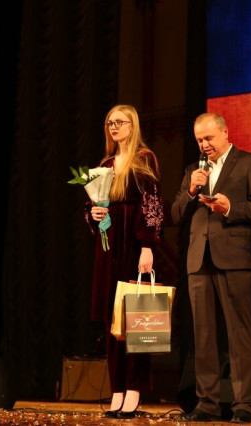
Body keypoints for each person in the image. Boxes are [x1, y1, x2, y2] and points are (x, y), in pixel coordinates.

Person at [171, 112, 251, 423]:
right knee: (203, 335)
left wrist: (230, 208)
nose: (204, 144)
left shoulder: (249, 162)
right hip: (198, 259)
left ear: (225, 133)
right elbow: (175, 214)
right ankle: (207, 404)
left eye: (209, 138)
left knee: (239, 334)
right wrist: (191, 191)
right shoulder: (193, 170)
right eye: (199, 140)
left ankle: (244, 405)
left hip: (236, 257)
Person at [85, 104, 164, 419]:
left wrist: (147, 246)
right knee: (112, 319)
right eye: (109, 123)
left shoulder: (144, 159)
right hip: (108, 244)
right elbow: (91, 206)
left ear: (133, 125)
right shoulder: (104, 164)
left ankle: (134, 389)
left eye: (120, 121)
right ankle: (117, 387)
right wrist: (93, 214)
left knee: (136, 318)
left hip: (133, 242)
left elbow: (152, 203)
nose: (114, 127)